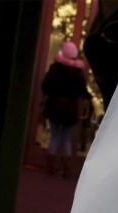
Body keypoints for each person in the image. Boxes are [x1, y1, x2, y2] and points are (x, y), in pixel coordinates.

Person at [41, 41, 91, 178]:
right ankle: (67, 170)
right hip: (70, 109)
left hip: (54, 106)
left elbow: (45, 87)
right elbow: (83, 92)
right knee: (66, 138)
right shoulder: (78, 73)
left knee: (55, 136)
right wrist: (88, 97)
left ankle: (50, 168)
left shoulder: (54, 69)